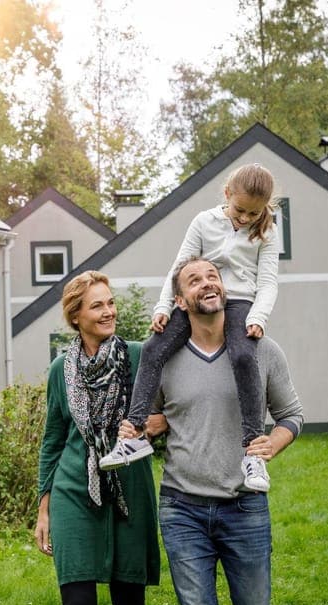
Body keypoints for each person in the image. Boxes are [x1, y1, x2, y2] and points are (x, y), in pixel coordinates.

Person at [120, 256, 302, 605]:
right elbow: (150, 419)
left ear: (224, 288)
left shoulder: (262, 350)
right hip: (181, 509)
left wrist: (273, 443)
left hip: (244, 506)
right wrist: (142, 429)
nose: (206, 283)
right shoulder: (163, 361)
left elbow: (291, 415)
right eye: (193, 280)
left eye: (212, 276)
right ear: (181, 301)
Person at [100, 164, 281, 493]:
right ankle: (135, 434)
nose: (244, 219)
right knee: (155, 347)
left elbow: (268, 283)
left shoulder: (267, 231)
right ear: (227, 194)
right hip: (196, 299)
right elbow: (179, 268)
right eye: (240, 210)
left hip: (239, 302)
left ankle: (253, 454)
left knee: (243, 357)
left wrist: (258, 317)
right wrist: (163, 307)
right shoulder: (204, 222)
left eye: (253, 213)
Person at [34, 270, 161, 605]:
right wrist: (44, 509)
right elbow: (53, 441)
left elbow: (177, 409)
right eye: (97, 306)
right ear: (76, 316)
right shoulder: (61, 370)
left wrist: (151, 425)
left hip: (129, 488)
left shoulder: (138, 357)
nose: (109, 312)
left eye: (110, 302)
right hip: (74, 490)